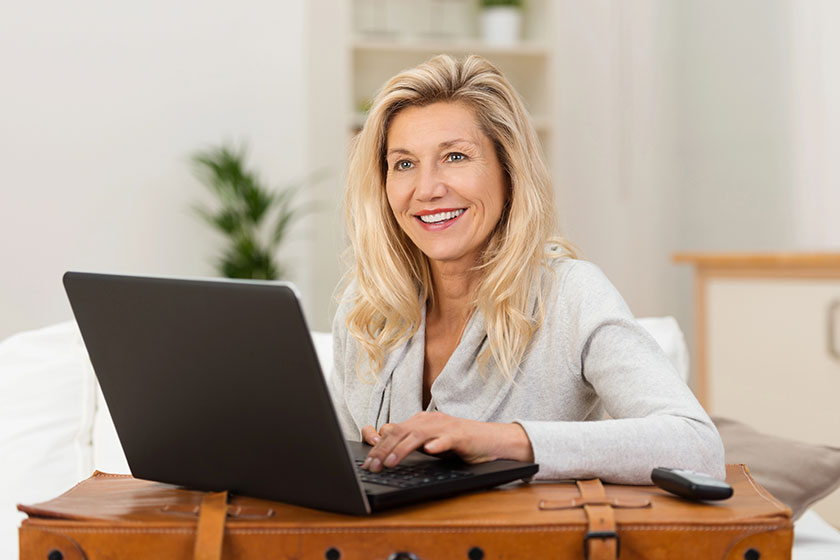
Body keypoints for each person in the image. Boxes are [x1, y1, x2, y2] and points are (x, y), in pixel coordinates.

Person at [331, 54, 725, 484]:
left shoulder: (570, 294)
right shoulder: (366, 309)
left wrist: (500, 441)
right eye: (404, 164)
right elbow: (337, 470)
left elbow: (697, 446)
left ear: (509, 171)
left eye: (455, 156)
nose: (426, 189)